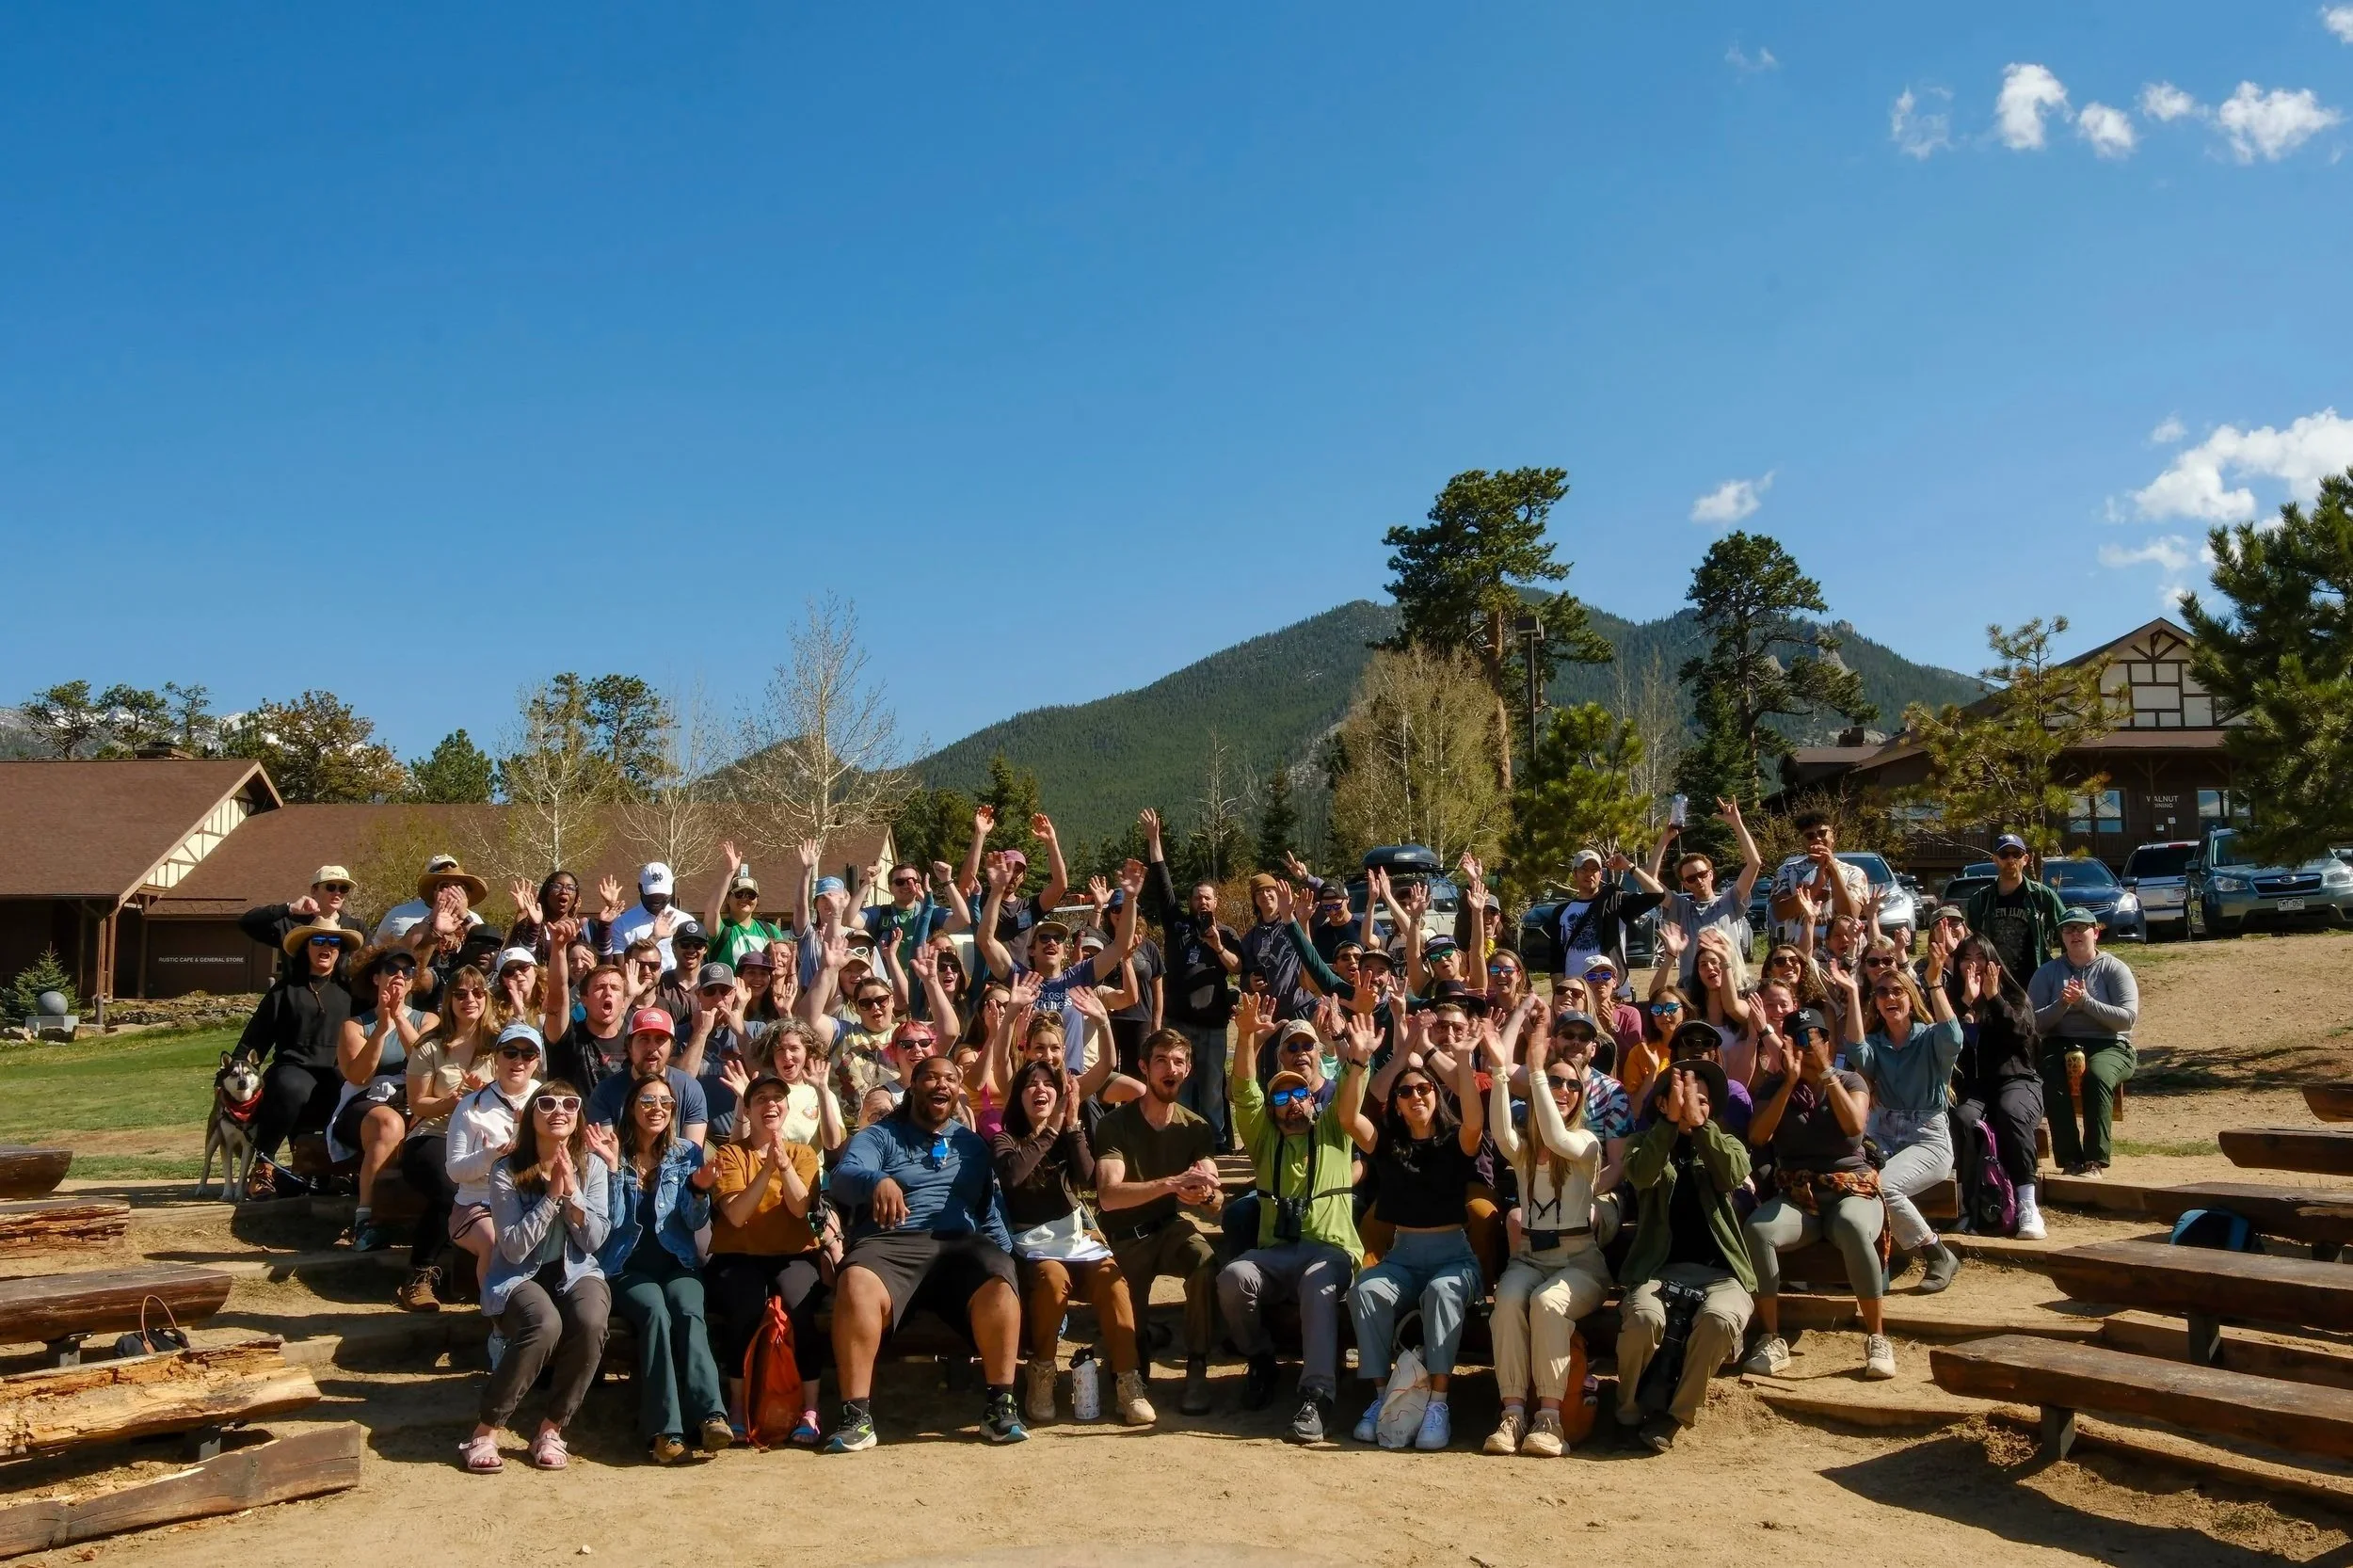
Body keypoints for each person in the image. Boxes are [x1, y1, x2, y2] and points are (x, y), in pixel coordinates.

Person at [824, 1054, 1027, 1451]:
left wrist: (1010, 1264)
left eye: (950, 1080)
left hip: (959, 1245)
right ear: (913, 1087)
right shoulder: (880, 1136)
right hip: (891, 1244)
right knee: (857, 1281)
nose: (941, 1085)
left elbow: (988, 1211)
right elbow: (844, 1178)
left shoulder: (972, 1146)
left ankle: (1000, 1408)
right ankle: (857, 1417)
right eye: (931, 1078)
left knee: (999, 1278)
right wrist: (878, 1180)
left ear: (957, 1091)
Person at [1215, 997, 1362, 1443]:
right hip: (1277, 1253)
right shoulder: (1262, 1138)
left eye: (1300, 1093)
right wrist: (1244, 1036)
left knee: (1319, 1283)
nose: (1292, 1102)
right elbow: (1243, 1089)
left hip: (1331, 1252)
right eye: (1281, 1095)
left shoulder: (1335, 1128)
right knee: (1233, 1275)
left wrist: (1351, 1051)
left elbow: (1354, 1091)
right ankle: (1261, 1359)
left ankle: (1316, 1396)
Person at [1340, 1015, 1486, 1451]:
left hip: (1453, 1257)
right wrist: (1358, 1062)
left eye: (1423, 1089)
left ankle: (1438, 1402)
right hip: (1403, 1255)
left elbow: (1476, 1122)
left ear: (1435, 1095)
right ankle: (1384, 1399)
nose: (1416, 1095)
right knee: (1364, 1290)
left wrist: (1462, 1062)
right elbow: (1348, 1118)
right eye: (1406, 1092)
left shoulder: (1455, 1140)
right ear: (1397, 1104)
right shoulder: (1388, 1142)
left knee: (1443, 1291)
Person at [461, 1080, 611, 1474]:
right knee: (545, 1323)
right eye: (547, 1103)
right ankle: (486, 1429)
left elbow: (595, 1239)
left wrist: (573, 1195)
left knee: (591, 1320)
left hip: (576, 1271)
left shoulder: (593, 1165)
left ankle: (551, 1429)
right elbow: (511, 1248)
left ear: (578, 1115)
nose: (559, 1110)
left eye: (570, 1103)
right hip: (517, 1277)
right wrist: (550, 1198)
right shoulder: (506, 1170)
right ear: (532, 1115)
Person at [994, 1058, 1153, 1427]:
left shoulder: (1067, 1137)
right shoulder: (1005, 1140)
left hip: (1075, 1240)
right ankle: (1042, 1374)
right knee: (1052, 1281)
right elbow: (1014, 1176)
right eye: (1031, 1084)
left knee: (1112, 1281)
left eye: (1048, 1084)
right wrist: (1049, 1131)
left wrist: (1074, 1125)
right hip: (1031, 1244)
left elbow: (1086, 1178)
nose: (1040, 1090)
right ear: (1018, 1096)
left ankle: (1129, 1383)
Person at [1741, 1007, 1896, 1381]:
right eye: (1799, 1040)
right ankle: (1771, 1338)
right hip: (1800, 1195)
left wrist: (1826, 1072)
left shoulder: (1850, 1080)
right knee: (1759, 1231)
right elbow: (1759, 1137)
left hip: (1851, 1188)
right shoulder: (1774, 1086)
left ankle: (1877, 1337)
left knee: (1852, 1225)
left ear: (1830, 1042)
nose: (1808, 1046)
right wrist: (1790, 1083)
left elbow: (1854, 1128)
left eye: (1816, 1038)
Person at [1481, 1012, 1609, 1457]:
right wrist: (1500, 1072)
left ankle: (1550, 1420)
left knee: (1547, 1303)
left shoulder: (1586, 1143)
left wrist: (1536, 1070)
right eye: (1557, 1082)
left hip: (1579, 1262)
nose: (1564, 1091)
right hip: (1530, 1257)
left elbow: (1556, 1136)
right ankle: (1512, 1413)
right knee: (1509, 1302)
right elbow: (1501, 1133)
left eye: (1573, 1085)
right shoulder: (1526, 1148)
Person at [1613, 1057, 1754, 1453]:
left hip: (1721, 1274)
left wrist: (1701, 1127)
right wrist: (1670, 1127)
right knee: (1643, 1318)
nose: (1696, 1104)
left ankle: (1674, 1416)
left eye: (1704, 1100)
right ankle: (1628, 1410)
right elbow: (1641, 1176)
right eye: (1684, 1097)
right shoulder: (1643, 1143)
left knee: (1720, 1319)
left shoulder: (1727, 1144)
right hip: (1659, 1269)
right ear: (1661, 1103)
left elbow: (1729, 1174)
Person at [594, 1072, 727, 1464]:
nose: (658, 1110)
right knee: (654, 1312)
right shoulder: (610, 1152)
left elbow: (692, 1221)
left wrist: (699, 1190)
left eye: (666, 1103)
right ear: (631, 1107)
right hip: (626, 1265)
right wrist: (613, 1170)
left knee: (686, 1308)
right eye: (648, 1102)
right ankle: (665, 1431)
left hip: (678, 1262)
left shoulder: (686, 1153)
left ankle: (710, 1416)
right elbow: (609, 1223)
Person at [1092, 1028, 1225, 1416]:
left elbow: (1214, 1202)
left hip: (1169, 1228)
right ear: (1144, 1068)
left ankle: (1196, 1367)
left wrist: (1205, 1194)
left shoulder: (1197, 1127)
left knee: (1204, 1262)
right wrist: (1169, 1185)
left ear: (1189, 1070)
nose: (1172, 1068)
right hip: (1124, 1236)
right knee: (1130, 1349)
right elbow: (1109, 1196)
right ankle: (1131, 1364)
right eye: (1162, 1060)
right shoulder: (1115, 1125)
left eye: (1179, 1061)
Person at [705, 1074, 829, 1446]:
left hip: (793, 1254)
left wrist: (785, 1167)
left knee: (800, 1305)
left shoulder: (803, 1154)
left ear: (787, 1108)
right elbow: (737, 1214)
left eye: (778, 1098)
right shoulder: (729, 1153)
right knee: (743, 1306)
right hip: (738, 1255)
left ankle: (810, 1409)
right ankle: (738, 1407)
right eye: (761, 1098)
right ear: (748, 1108)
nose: (770, 1104)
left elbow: (797, 1208)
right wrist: (765, 1169)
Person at [1841, 923, 1965, 1290]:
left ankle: (1936, 1252)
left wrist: (1935, 982)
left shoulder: (1929, 1040)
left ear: (1910, 998)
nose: (1889, 997)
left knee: (1884, 1187)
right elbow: (1857, 1052)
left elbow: (1954, 1036)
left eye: (1898, 991)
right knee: (1853, 1182)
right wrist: (1852, 993)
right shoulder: (1877, 1043)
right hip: (1882, 1131)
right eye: (1882, 993)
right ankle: (1879, 1258)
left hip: (1927, 1135)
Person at [397, 963, 496, 1310]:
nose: (470, 999)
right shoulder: (431, 1046)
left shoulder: (500, 1045)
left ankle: (480, 1276)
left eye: (478, 992)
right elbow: (416, 1104)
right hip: (433, 1133)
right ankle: (419, 1275)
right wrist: (449, 1102)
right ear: (449, 1000)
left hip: (487, 1137)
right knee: (452, 1184)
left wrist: (487, 1094)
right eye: (461, 993)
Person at [1141, 808, 1241, 1148]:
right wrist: (1155, 841)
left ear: (1217, 902)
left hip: (1213, 1025)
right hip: (1178, 1022)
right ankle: (1180, 1138)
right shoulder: (1178, 926)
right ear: (1190, 902)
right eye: (1197, 897)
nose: (1202, 902)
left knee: (1213, 1085)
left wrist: (1216, 945)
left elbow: (1237, 968)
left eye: (1208, 897)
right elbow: (1161, 882)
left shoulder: (1225, 933)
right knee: (1177, 1082)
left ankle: (1214, 1141)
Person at [241, 919, 365, 1164]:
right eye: (318, 941)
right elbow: (257, 1036)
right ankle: (264, 1163)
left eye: (334, 942)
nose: (326, 947)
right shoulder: (284, 990)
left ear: (340, 951)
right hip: (294, 1065)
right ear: (306, 947)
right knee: (291, 1088)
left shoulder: (352, 991)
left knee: (355, 1093)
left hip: (338, 1067)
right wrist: (235, 1064)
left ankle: (345, 1167)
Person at [333, 947, 434, 1251]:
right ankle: (367, 1219)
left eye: (408, 972)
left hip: (414, 1097)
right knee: (388, 1124)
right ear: (376, 977)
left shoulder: (427, 1020)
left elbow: (424, 1059)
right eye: (392, 969)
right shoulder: (355, 1026)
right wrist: (380, 1029)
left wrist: (398, 1018)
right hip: (365, 1103)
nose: (399, 977)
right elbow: (358, 1076)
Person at [1946, 935, 2046, 1236]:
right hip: (1974, 1088)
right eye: (1966, 957)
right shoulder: (1951, 1001)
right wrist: (1965, 1003)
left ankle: (2028, 1204)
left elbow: (2022, 1037)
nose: (1973, 963)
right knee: (1962, 1118)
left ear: (1992, 962)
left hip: (2016, 1081)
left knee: (2010, 1111)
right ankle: (1967, 1207)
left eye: (1979, 956)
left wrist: (1993, 999)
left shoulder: (2013, 996)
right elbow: (1940, 1038)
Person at [2029, 907, 2139, 1180]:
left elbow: (2126, 1020)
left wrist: (2086, 1003)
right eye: (2068, 930)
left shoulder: (2114, 969)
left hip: (2110, 1044)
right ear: (2062, 937)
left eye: (2081, 928)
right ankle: (2070, 1160)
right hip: (2060, 1042)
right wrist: (2063, 1004)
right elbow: (2033, 1024)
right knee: (2050, 1076)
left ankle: (2094, 1161)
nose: (2075, 934)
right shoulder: (2047, 972)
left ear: (2096, 933)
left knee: (2098, 1076)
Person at [444, 1022, 545, 1293]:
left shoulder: (547, 1101)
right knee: (495, 1242)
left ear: (538, 1061)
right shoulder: (471, 1106)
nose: (519, 1061)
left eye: (528, 1055)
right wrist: (491, 1156)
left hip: (533, 1198)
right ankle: (498, 1321)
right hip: (478, 1202)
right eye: (510, 1052)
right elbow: (454, 1171)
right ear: (496, 1057)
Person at [1648, 798, 1765, 984]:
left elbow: (1754, 863)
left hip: (1733, 985)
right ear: (1685, 884)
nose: (1699, 881)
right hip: (1694, 990)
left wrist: (1737, 823)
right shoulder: (1682, 909)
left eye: (1702, 874)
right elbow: (1650, 880)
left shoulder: (1730, 901)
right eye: (1691, 879)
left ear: (1711, 874)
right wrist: (1665, 839)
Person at [584, 1008, 711, 1144]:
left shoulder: (690, 1089)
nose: (651, 1047)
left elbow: (691, 1158)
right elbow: (605, 1154)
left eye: (660, 1040)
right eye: (644, 1039)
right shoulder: (605, 1092)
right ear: (629, 1045)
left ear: (672, 1047)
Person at [1548, 848, 1663, 989]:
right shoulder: (1560, 912)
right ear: (1574, 873)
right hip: (1576, 992)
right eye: (1584, 869)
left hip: (1611, 991)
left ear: (1600, 873)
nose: (1589, 874)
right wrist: (1561, 992)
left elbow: (1657, 894)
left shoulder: (1616, 902)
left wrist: (1628, 866)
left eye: (1594, 869)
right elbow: (1556, 959)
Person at [1967, 834, 2071, 989]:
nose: (2010, 860)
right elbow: (1971, 944)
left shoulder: (2042, 896)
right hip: (1995, 984)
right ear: (1995, 859)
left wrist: (2065, 973)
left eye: (2016, 854)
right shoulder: (1981, 900)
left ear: (2025, 859)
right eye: (2004, 855)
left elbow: (2067, 932)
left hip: (2036, 982)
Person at [240, 865, 366, 983]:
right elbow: (247, 923)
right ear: (314, 890)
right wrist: (289, 908)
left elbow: (372, 962)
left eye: (344, 888)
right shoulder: (291, 923)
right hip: (296, 999)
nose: (337, 893)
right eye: (331, 887)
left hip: (339, 1001)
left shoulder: (356, 928)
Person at [1769, 813, 1870, 947]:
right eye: (1810, 836)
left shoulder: (1854, 873)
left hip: (1842, 954)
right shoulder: (1787, 871)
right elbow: (1780, 913)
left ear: (1832, 836)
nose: (1817, 838)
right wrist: (1817, 885)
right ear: (1803, 842)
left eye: (1822, 833)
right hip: (1801, 955)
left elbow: (1850, 915)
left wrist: (1833, 869)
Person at [706, 841, 789, 971]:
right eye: (739, 894)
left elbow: (783, 965)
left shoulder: (771, 931)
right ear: (727, 898)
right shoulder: (722, 930)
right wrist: (729, 871)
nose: (745, 898)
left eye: (751, 895)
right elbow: (712, 911)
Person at [376, 855, 488, 945]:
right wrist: (431, 919)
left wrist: (464, 916)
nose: (451, 891)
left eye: (458, 887)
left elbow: (485, 948)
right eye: (444, 886)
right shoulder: (400, 915)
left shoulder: (474, 920)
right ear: (433, 890)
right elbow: (382, 949)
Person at [607, 862, 690, 970]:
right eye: (651, 894)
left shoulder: (685, 921)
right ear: (640, 888)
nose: (656, 899)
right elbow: (622, 971)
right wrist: (654, 938)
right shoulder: (622, 924)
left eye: (662, 894)